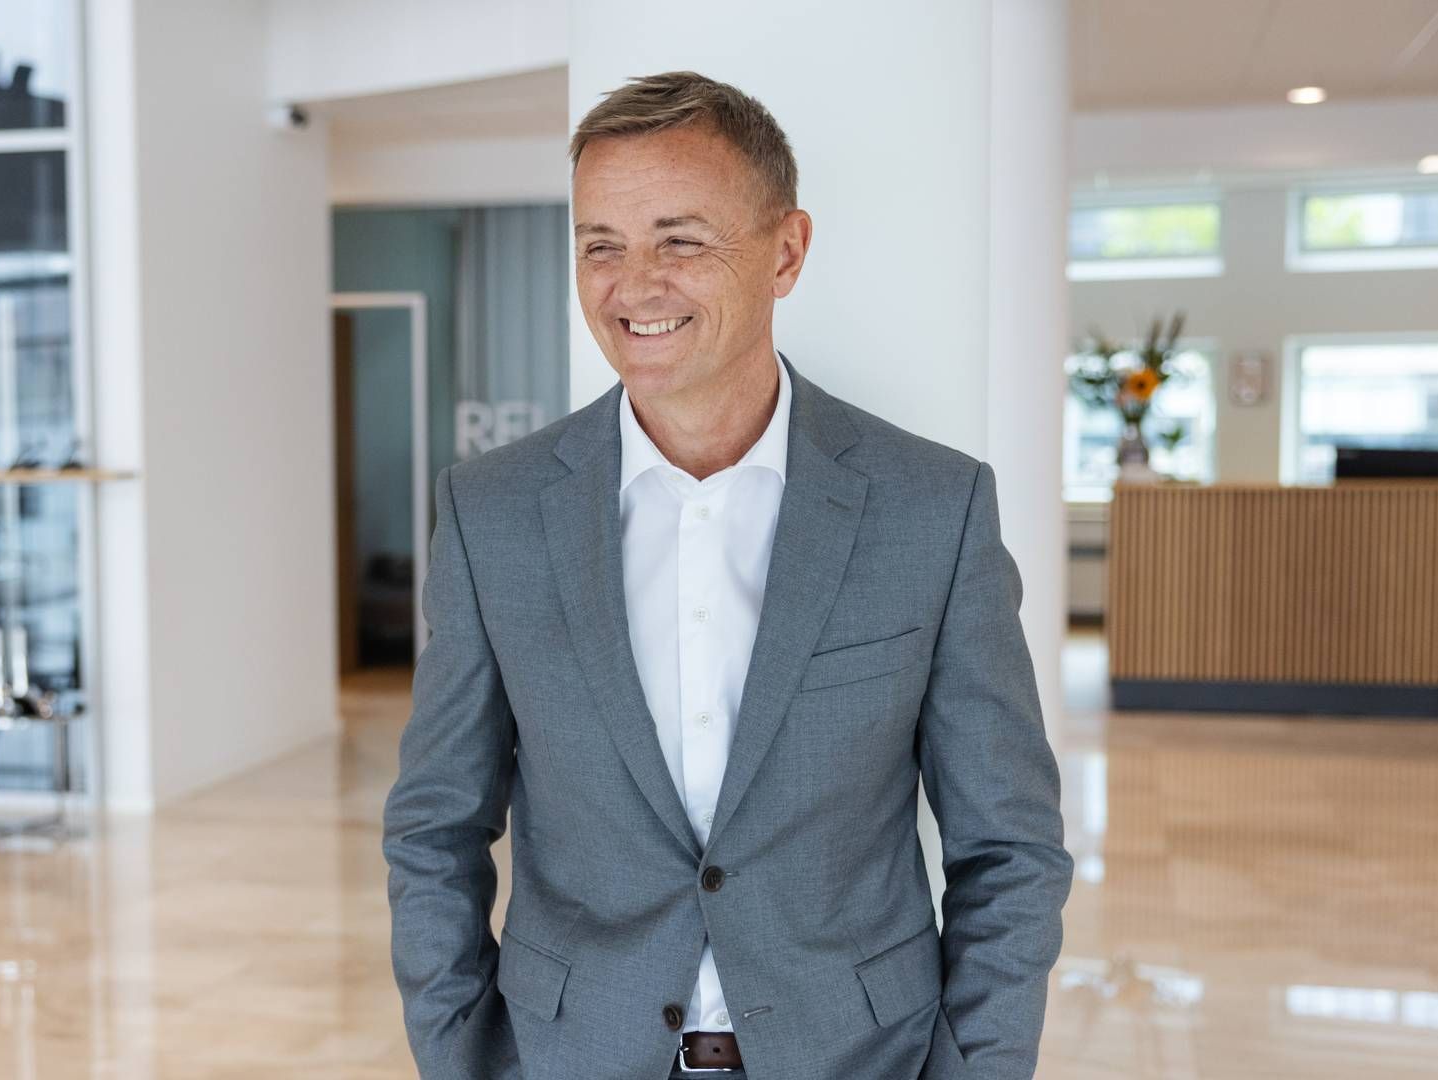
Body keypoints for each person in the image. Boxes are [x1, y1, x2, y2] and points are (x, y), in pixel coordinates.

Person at [382, 70, 1072, 1080]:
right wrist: (465, 1059)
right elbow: (435, 827)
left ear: (786, 251)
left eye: (682, 240)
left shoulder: (934, 509)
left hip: (858, 1058)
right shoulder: (491, 514)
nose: (633, 284)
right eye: (601, 244)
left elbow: (1009, 849)